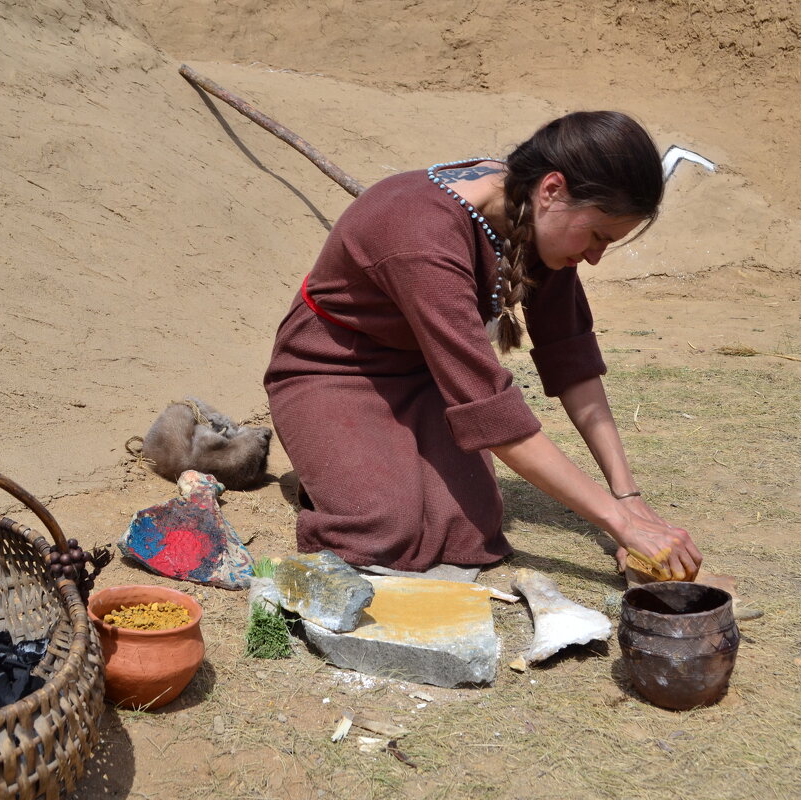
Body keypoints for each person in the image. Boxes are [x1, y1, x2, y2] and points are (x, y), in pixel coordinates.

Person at [263, 110, 702, 581]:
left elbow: (569, 359)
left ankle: (366, 464)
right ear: (552, 190)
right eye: (597, 236)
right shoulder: (420, 233)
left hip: (428, 378)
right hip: (333, 372)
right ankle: (334, 465)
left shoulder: (533, 213)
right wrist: (621, 526)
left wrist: (628, 499)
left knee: (464, 532)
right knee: (382, 531)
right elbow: (488, 409)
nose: (594, 257)